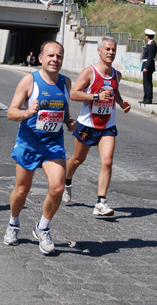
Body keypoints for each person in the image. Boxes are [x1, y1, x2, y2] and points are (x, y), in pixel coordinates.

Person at [3, 40, 76, 256]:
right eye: (51, 55)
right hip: (29, 143)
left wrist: (69, 121)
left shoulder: (66, 83)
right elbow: (11, 112)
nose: (55, 59)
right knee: (22, 190)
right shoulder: (29, 81)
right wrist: (26, 113)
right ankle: (13, 223)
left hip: (53, 145)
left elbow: (64, 110)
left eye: (59, 56)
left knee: (58, 188)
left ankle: (42, 228)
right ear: (41, 58)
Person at [62, 36, 131, 217]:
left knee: (107, 161)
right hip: (87, 124)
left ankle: (101, 202)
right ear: (99, 51)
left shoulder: (117, 75)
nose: (111, 53)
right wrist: (95, 97)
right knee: (78, 160)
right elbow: (74, 94)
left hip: (108, 124)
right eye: (107, 49)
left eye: (113, 50)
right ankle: (66, 181)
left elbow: (114, 93)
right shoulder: (90, 72)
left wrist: (122, 103)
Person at [140, 29, 157, 105]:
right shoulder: (151, 44)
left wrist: (146, 67)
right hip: (147, 64)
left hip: (148, 65)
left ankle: (148, 98)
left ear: (147, 36)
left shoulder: (151, 45)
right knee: (146, 82)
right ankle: (146, 98)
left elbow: (150, 57)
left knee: (147, 83)